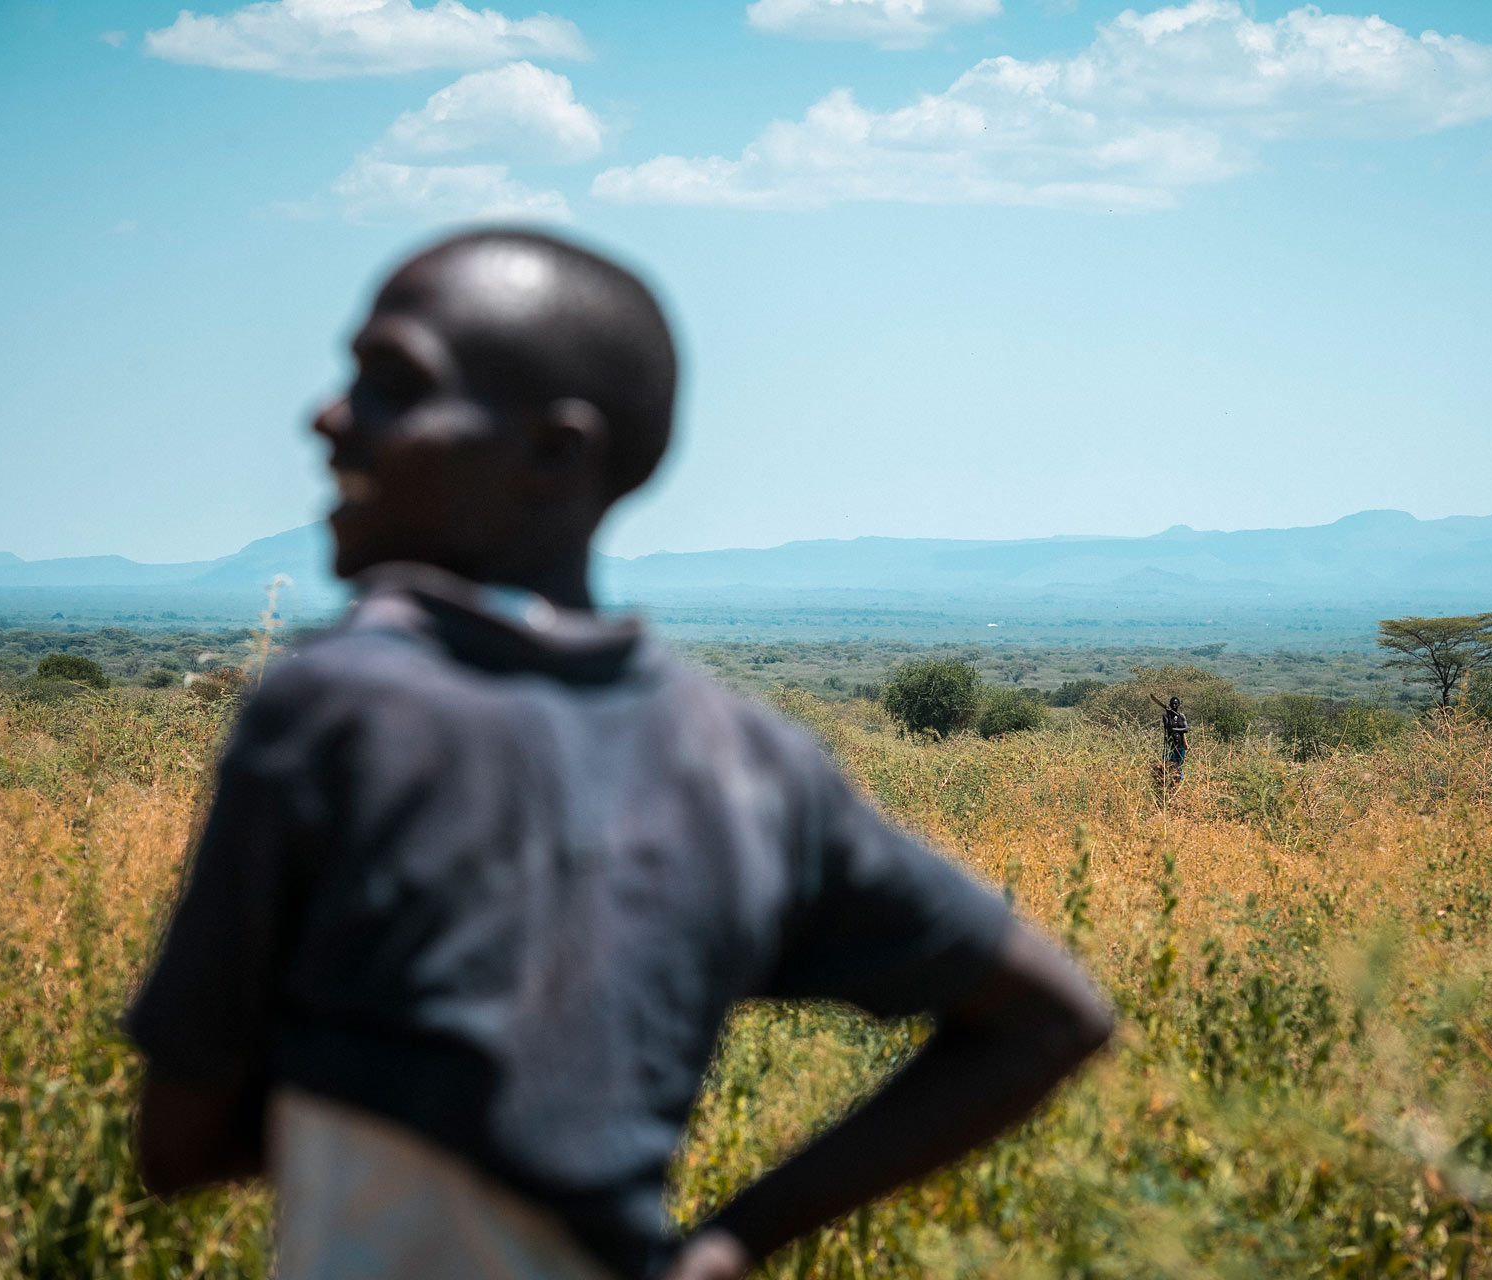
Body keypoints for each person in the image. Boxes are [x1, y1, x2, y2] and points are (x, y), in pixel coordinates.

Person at [125, 228, 1113, 1280]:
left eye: (391, 383)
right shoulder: (753, 760)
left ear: (557, 452)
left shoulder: (343, 706)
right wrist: (730, 1242)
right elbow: (1052, 1016)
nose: (327, 417)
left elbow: (178, 1144)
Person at [1162, 695, 1189, 784]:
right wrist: (1169, 714)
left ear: (1178, 705)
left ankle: (1178, 782)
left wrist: (1176, 730)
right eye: (1172, 704)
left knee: (1179, 765)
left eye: (1175, 704)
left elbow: (1186, 729)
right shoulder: (1166, 716)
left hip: (1180, 746)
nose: (1174, 706)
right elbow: (1168, 728)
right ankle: (1168, 783)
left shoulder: (1181, 716)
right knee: (1169, 765)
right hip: (1170, 746)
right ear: (1170, 705)